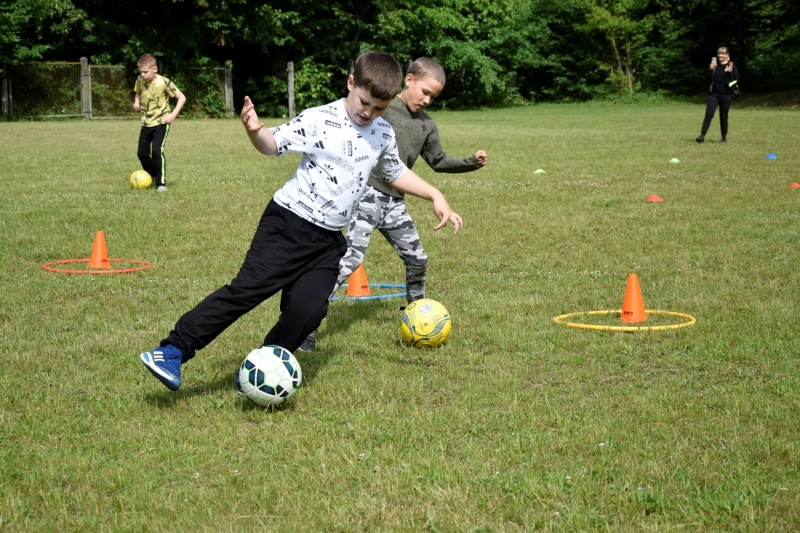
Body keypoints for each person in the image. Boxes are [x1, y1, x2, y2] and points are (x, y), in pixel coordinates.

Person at [139, 51, 463, 392]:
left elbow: (395, 171)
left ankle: (262, 368)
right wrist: (255, 130)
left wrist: (435, 195)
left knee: (309, 311)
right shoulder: (321, 118)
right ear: (351, 83)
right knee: (246, 293)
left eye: (379, 108)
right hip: (287, 225)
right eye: (364, 102)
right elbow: (272, 144)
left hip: (328, 241)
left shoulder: (381, 132)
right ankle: (172, 350)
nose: (368, 113)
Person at [299, 57, 487, 352]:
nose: (427, 100)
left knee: (418, 260)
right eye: (424, 92)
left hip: (395, 204)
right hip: (366, 196)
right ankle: (305, 326)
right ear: (409, 80)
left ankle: (420, 317)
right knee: (349, 262)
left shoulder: (426, 125)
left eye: (433, 97)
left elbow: (438, 161)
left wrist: (470, 162)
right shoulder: (382, 110)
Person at [133, 53, 187, 191]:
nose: (143, 74)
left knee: (157, 151)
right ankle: (153, 174)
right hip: (146, 123)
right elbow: (138, 92)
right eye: (141, 72)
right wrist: (136, 102)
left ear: (155, 69)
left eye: (145, 72)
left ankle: (161, 183)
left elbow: (182, 98)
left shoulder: (164, 82)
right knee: (142, 154)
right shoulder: (140, 80)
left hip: (162, 122)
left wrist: (173, 115)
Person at [696, 46, 739, 144]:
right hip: (714, 94)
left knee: (723, 116)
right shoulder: (714, 65)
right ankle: (702, 136)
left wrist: (730, 72)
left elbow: (736, 79)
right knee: (709, 114)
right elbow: (708, 79)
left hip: (726, 94)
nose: (721, 55)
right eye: (719, 53)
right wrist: (710, 69)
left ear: (727, 55)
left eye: (723, 53)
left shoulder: (731, 65)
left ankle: (724, 138)